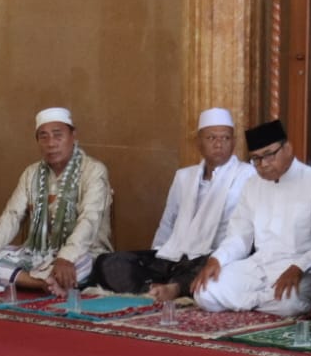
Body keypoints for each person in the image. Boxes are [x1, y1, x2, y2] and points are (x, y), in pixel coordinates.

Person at [95, 107, 252, 300]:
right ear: (199, 142)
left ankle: (175, 288)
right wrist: (158, 256)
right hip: (174, 256)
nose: (219, 144)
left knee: (219, 269)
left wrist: (217, 257)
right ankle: (155, 287)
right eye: (212, 138)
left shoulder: (247, 175)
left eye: (225, 138)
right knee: (108, 263)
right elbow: (168, 221)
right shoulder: (184, 176)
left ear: (234, 142)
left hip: (209, 256)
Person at [191, 119, 311, 317]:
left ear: (288, 148)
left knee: (288, 303)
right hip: (258, 266)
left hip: (299, 269)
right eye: (256, 158)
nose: (263, 164)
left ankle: (248, 302)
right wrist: (216, 259)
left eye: (269, 155)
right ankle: (261, 302)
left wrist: (298, 267)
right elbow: (239, 236)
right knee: (204, 292)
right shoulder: (252, 184)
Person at [0, 107, 113, 296]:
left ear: (73, 136)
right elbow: (11, 217)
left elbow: (89, 220)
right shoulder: (31, 173)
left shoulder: (94, 171)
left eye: (57, 135)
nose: (51, 143)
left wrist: (66, 257)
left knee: (85, 263)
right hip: (38, 253)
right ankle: (43, 283)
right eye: (43, 137)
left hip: (84, 253)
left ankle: (27, 278)